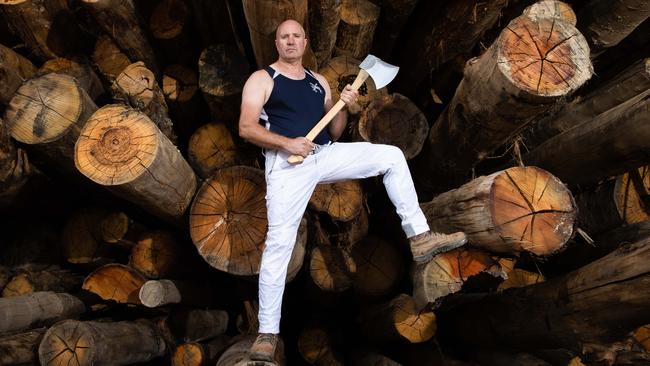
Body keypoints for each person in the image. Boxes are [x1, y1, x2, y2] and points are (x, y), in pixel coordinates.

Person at [238, 19, 467, 362]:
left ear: (304, 42)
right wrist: (288, 143)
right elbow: (246, 127)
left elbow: (335, 131)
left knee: (390, 156)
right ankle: (267, 334)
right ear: (277, 44)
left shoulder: (318, 82)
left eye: (296, 36)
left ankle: (419, 237)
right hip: (286, 164)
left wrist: (342, 105)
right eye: (283, 36)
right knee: (279, 244)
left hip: (323, 154)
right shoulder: (262, 79)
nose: (290, 41)